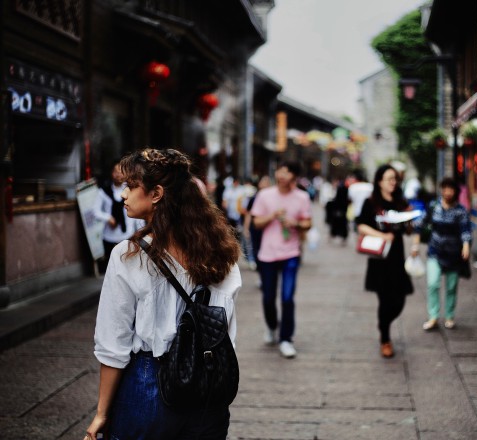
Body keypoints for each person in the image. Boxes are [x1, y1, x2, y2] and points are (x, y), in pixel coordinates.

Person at [86, 148, 241, 440]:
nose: (123, 195)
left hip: (149, 383)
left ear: (156, 193)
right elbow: (226, 330)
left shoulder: (128, 255)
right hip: (208, 388)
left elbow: (113, 343)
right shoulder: (222, 252)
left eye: (131, 187)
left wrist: (102, 413)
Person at [251, 161, 312, 358]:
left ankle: (286, 339)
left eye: (287, 172)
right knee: (268, 297)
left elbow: (308, 222)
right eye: (280, 171)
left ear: (294, 177)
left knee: (287, 298)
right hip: (267, 254)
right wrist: (272, 216)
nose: (282, 175)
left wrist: (296, 223)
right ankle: (271, 326)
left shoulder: (302, 197)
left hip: (291, 254)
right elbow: (256, 222)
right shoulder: (264, 195)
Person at [357, 164, 415, 359]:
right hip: (380, 258)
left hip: (397, 257)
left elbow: (408, 230)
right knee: (384, 299)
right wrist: (382, 235)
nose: (393, 182)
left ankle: (384, 324)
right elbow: (361, 226)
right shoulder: (372, 202)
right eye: (389, 178)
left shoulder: (400, 201)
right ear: (379, 181)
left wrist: (410, 220)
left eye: (395, 179)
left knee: (400, 299)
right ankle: (385, 338)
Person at [413, 178, 471, 331]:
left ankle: (450, 316)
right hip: (435, 251)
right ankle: (433, 316)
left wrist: (465, 246)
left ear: (455, 191)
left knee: (451, 287)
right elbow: (420, 224)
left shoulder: (460, 210)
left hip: (453, 254)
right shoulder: (434, 206)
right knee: (433, 283)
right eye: (444, 189)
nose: (447, 192)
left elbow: (465, 229)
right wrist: (415, 244)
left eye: (450, 189)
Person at [94, 159, 143, 272]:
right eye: (116, 171)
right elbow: (96, 211)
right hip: (109, 237)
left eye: (122, 171)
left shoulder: (131, 190)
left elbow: (136, 214)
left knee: (128, 268)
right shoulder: (103, 191)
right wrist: (108, 217)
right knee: (111, 269)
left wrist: (139, 232)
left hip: (128, 235)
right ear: (111, 173)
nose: (119, 175)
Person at [327, 180, 349, 245]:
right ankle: (341, 236)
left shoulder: (340, 190)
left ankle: (333, 235)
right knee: (342, 225)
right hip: (342, 211)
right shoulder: (345, 191)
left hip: (338, 211)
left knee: (336, 224)